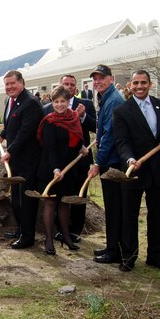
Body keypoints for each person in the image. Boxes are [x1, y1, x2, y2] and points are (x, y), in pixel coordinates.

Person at [112, 70, 160, 272]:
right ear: (130, 86)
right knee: (130, 215)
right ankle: (129, 256)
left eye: (143, 82)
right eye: (135, 83)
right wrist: (130, 159)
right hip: (133, 172)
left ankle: (154, 256)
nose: (140, 86)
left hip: (159, 170)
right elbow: (122, 141)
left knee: (158, 215)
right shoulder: (122, 111)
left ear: (150, 84)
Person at [43, 75, 97, 242]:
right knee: (58, 198)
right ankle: (60, 231)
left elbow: (95, 127)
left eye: (72, 84)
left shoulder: (86, 105)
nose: (68, 87)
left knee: (77, 197)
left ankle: (75, 231)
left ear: (76, 88)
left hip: (79, 160)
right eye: (65, 84)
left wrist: (82, 117)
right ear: (60, 86)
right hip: (57, 163)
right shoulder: (47, 109)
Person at [0, 70, 43, 249]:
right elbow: (11, 125)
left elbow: (25, 132)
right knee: (16, 198)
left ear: (22, 82)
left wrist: (10, 151)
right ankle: (21, 229)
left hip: (28, 161)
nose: (9, 87)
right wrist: (2, 135)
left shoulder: (31, 103)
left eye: (12, 83)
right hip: (15, 160)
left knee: (26, 200)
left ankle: (28, 237)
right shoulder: (10, 101)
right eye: (6, 84)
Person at [36, 85, 84, 255]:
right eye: (56, 102)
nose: (59, 105)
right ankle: (49, 239)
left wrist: (81, 147)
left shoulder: (74, 118)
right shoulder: (50, 121)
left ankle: (66, 236)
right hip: (51, 168)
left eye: (63, 101)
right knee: (50, 202)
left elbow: (76, 138)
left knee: (64, 203)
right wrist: (55, 169)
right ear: (52, 102)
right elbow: (50, 148)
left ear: (68, 101)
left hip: (68, 168)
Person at [87, 64, 125, 264]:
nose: (97, 82)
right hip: (109, 160)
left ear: (111, 78)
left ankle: (114, 251)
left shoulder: (114, 100)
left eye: (101, 78)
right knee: (112, 207)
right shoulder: (106, 98)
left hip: (112, 162)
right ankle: (112, 247)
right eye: (95, 79)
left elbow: (110, 135)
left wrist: (97, 162)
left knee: (114, 207)